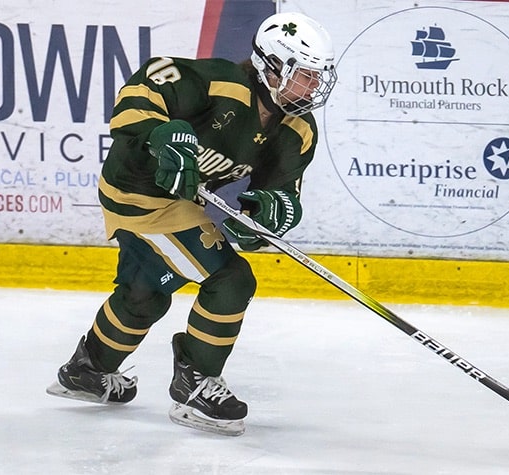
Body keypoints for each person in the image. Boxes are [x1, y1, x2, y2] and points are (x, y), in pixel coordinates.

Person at [46, 11, 337, 436]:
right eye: (305, 75)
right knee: (231, 280)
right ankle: (195, 384)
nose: (314, 86)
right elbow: (141, 90)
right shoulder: (221, 83)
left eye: (319, 77)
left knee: (147, 292)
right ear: (270, 68)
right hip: (138, 191)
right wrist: (163, 135)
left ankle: (87, 370)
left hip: (174, 202)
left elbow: (282, 194)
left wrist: (271, 212)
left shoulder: (298, 130)